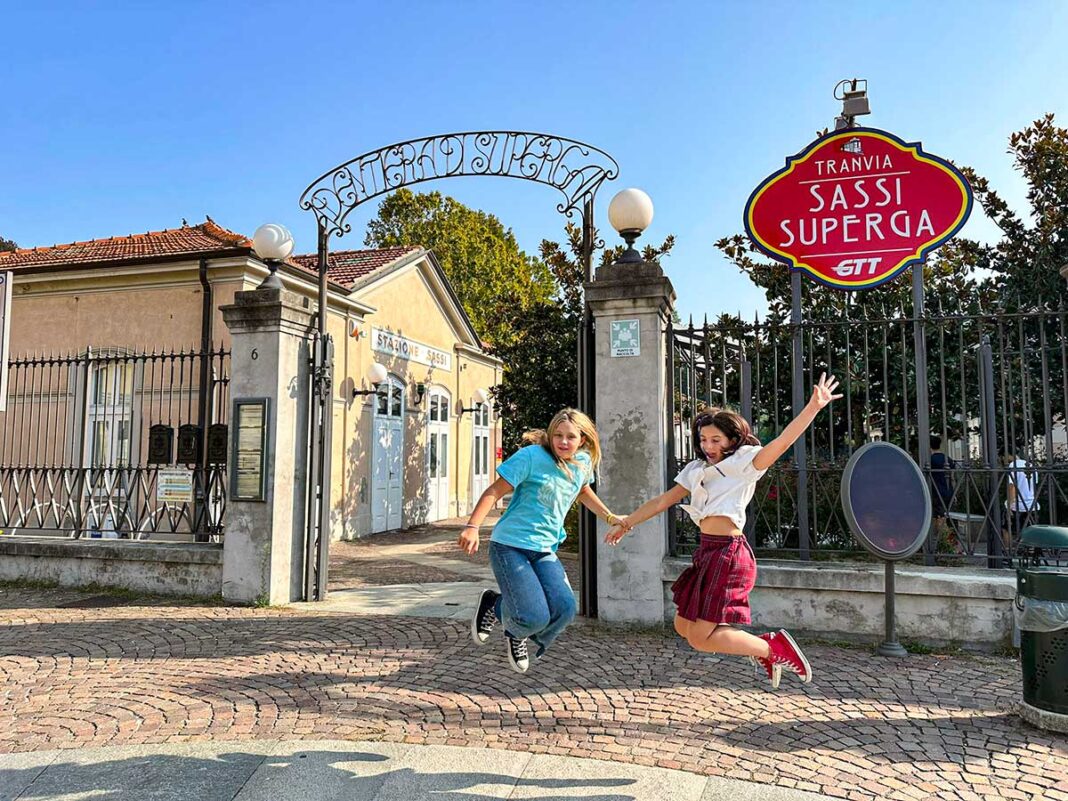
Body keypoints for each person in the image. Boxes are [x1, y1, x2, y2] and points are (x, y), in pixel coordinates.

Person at [606, 373, 842, 689]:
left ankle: (773, 648)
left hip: (729, 554)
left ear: (732, 439)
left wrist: (813, 407)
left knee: (701, 639)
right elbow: (664, 500)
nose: (708, 446)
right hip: (707, 551)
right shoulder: (696, 470)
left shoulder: (745, 464)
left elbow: (783, 441)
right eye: (703, 440)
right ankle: (767, 648)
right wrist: (627, 522)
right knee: (682, 625)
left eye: (716, 440)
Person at [459, 408, 626, 674]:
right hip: (510, 546)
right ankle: (496, 606)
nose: (563, 441)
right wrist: (472, 526)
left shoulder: (582, 462)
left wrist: (609, 516)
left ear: (582, 439)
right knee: (534, 615)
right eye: (557, 435)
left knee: (565, 609)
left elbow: (581, 489)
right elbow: (494, 490)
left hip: (545, 548)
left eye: (570, 437)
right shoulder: (531, 457)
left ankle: (517, 629)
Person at [930, 436, 961, 554]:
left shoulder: (929, 460)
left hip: (936, 492)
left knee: (939, 518)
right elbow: (952, 477)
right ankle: (954, 545)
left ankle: (946, 545)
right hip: (949, 491)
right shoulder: (947, 459)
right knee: (950, 518)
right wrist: (954, 492)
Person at [1005, 450, 1040, 541]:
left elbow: (1012, 488)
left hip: (1018, 505)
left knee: (1006, 529)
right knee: (1031, 531)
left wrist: (1009, 507)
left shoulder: (1012, 466)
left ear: (1007, 455)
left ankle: (1009, 551)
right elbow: (1035, 485)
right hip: (1032, 505)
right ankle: (1031, 550)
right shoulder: (1031, 465)